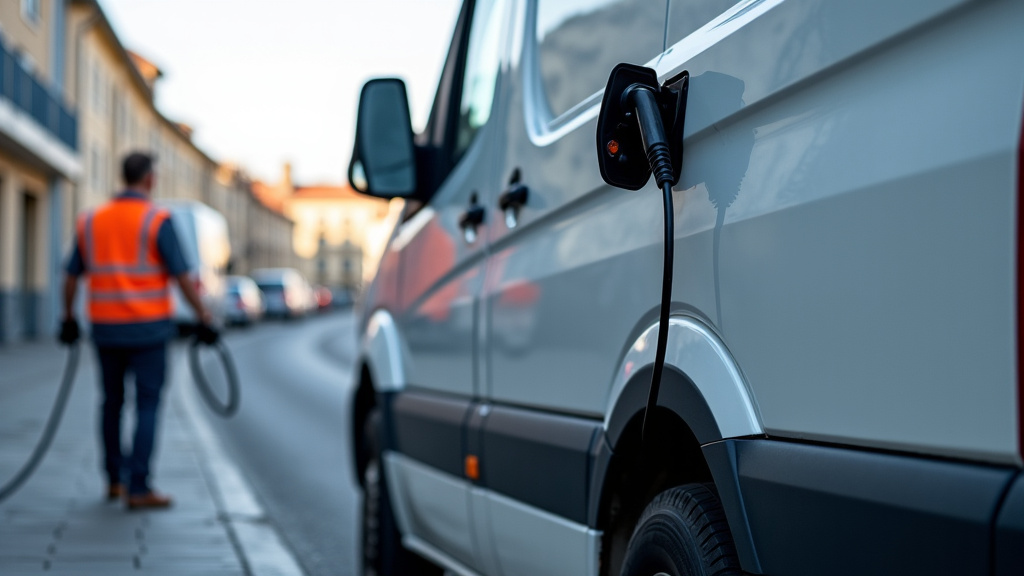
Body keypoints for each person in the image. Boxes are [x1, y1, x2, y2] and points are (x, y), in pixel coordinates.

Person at [59, 152, 218, 510]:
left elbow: (70, 276)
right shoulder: (157, 219)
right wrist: (204, 316)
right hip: (148, 331)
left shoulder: (91, 220)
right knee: (147, 404)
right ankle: (139, 486)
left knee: (111, 403)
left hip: (105, 329)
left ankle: (114, 480)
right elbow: (182, 277)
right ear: (149, 179)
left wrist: (68, 317)